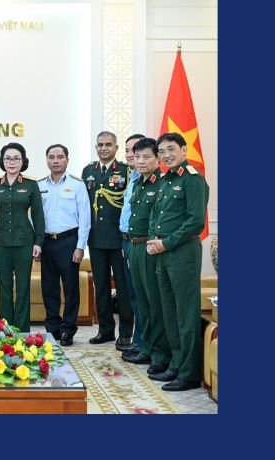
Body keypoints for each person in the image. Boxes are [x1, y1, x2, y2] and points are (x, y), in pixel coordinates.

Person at [145, 132, 209, 391]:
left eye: (171, 149)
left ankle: (189, 372)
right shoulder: (164, 180)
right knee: (168, 311)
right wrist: (153, 239)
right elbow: (155, 215)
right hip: (161, 252)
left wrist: (166, 243)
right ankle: (175, 363)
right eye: (162, 151)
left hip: (182, 253)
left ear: (184, 150)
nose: (166, 155)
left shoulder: (193, 180)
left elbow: (195, 221)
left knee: (185, 313)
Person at [120, 138, 171, 375]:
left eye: (146, 157)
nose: (140, 161)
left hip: (151, 247)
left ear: (157, 158)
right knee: (142, 302)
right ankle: (147, 347)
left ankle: (160, 354)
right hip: (135, 245)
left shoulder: (161, 183)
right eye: (137, 157)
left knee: (154, 302)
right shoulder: (138, 183)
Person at [0, 142, 44, 334]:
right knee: (4, 286)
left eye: (16, 158)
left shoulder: (30, 185)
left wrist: (38, 242)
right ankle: (6, 329)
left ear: (23, 161)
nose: (11, 162)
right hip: (0, 243)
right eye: (7, 158)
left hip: (24, 242)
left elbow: (38, 215)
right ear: (2, 161)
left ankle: (22, 330)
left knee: (23, 286)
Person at [82, 131, 134, 349]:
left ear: (116, 148)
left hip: (118, 239)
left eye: (108, 145)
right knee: (101, 286)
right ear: (96, 147)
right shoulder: (88, 171)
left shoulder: (125, 171)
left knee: (122, 287)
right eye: (100, 145)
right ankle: (105, 330)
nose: (104, 148)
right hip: (96, 239)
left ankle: (125, 333)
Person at [38, 144, 91, 346]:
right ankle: (53, 328)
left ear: (67, 159)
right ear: (47, 160)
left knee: (70, 289)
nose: (56, 161)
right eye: (52, 157)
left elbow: (85, 218)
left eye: (60, 157)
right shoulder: (40, 185)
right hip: (46, 243)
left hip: (69, 242)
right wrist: (37, 243)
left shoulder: (77, 185)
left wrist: (80, 247)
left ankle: (68, 328)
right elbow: (36, 217)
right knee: (49, 288)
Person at [118, 133, 146, 357]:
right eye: (128, 151)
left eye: (135, 151)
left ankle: (144, 343)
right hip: (128, 242)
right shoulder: (133, 178)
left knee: (144, 297)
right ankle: (139, 342)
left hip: (143, 244)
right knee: (134, 296)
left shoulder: (151, 180)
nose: (131, 155)